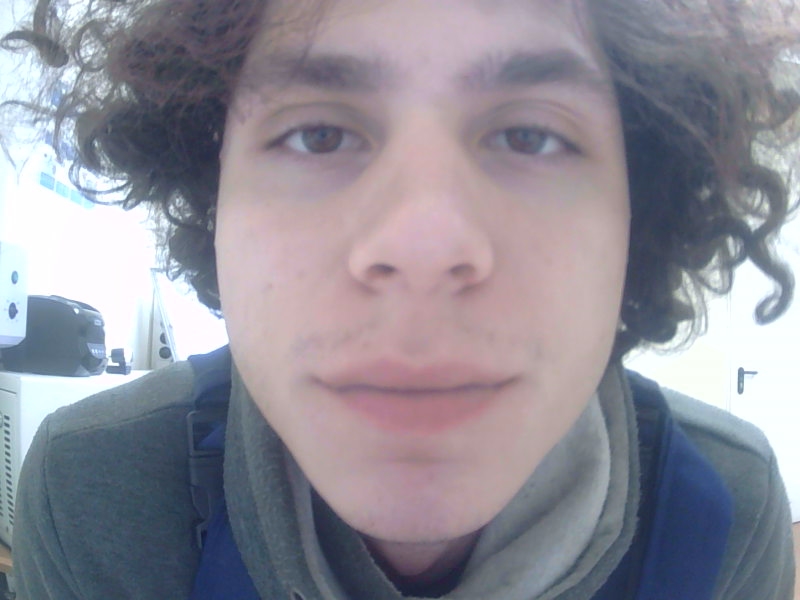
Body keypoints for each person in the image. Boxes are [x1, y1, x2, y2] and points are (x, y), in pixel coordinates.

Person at [3, 0, 798, 598]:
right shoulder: (94, 489)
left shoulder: (726, 508)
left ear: (640, 211)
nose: (423, 246)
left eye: (530, 135)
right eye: (318, 134)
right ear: (214, 202)